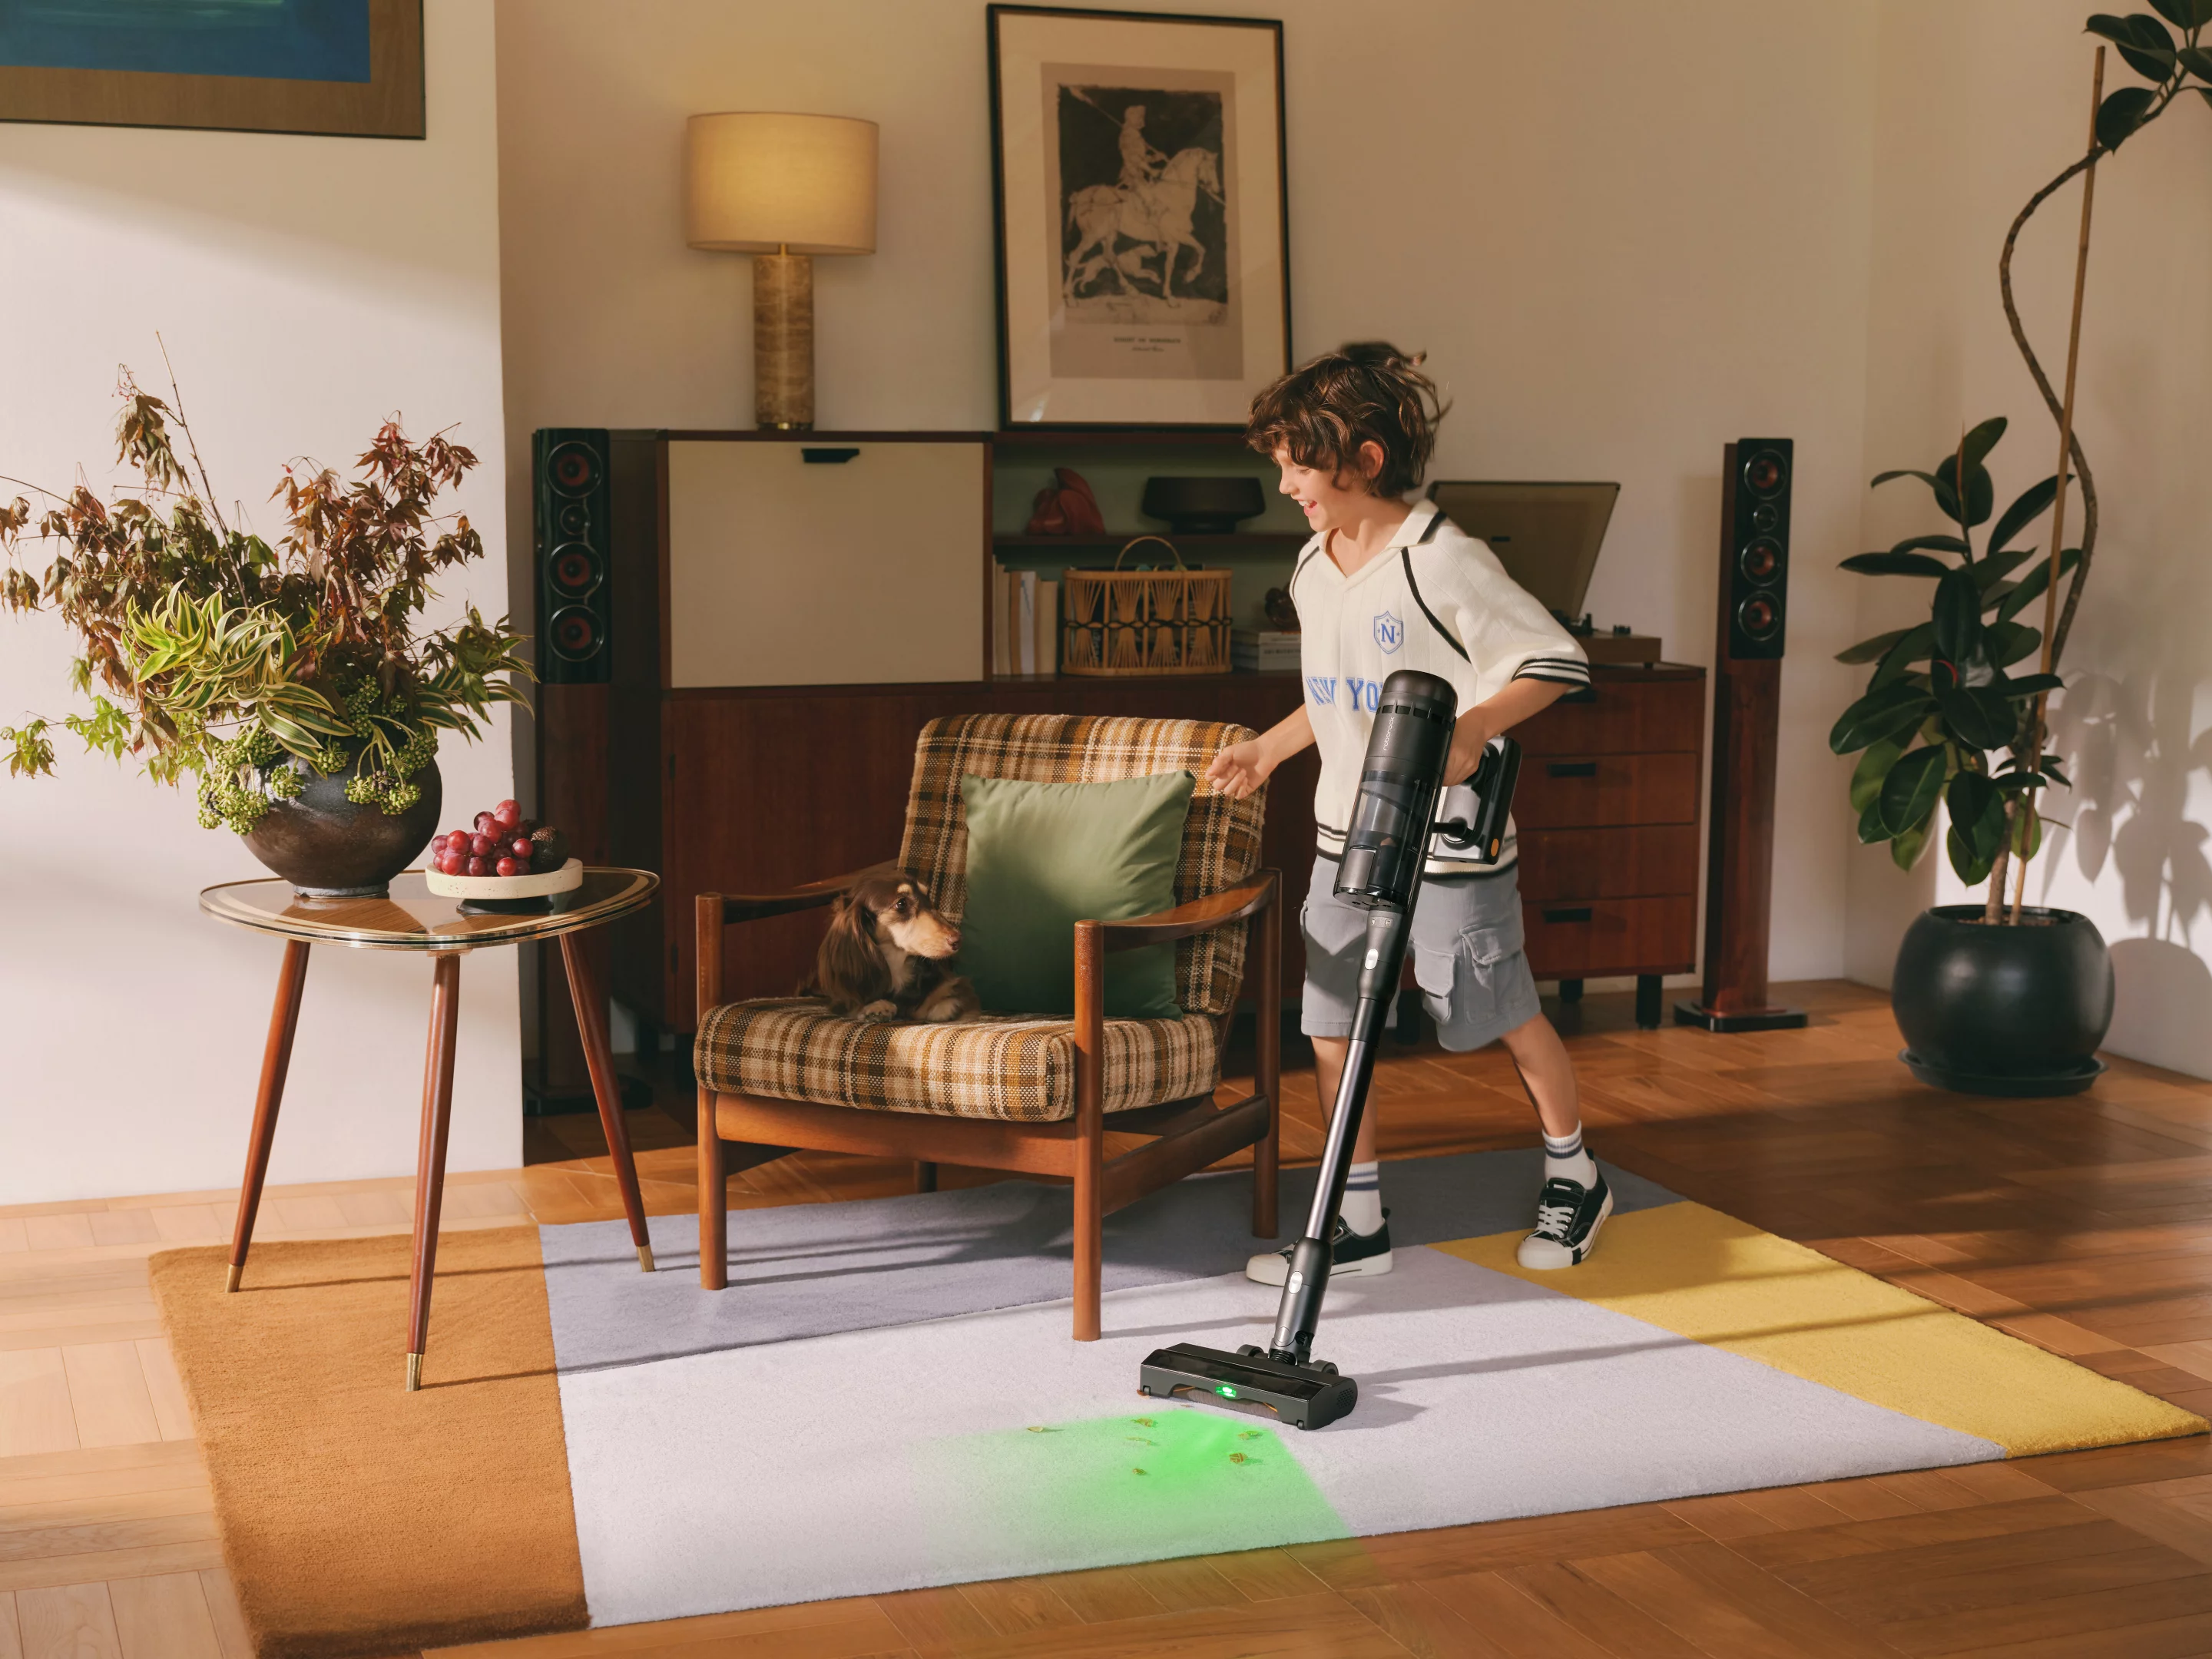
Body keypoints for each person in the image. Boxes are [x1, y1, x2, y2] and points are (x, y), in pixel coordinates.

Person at [1206, 343, 1608, 1280]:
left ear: (1363, 460)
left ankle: (1575, 1173)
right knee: (1332, 1019)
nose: (1285, 487)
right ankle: (1358, 1219)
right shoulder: (1315, 564)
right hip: (1347, 838)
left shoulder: (1443, 562)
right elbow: (1338, 689)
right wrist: (1270, 750)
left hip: (1451, 845)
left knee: (1498, 1010)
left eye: (1297, 466)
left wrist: (1474, 726)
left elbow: (1555, 662)